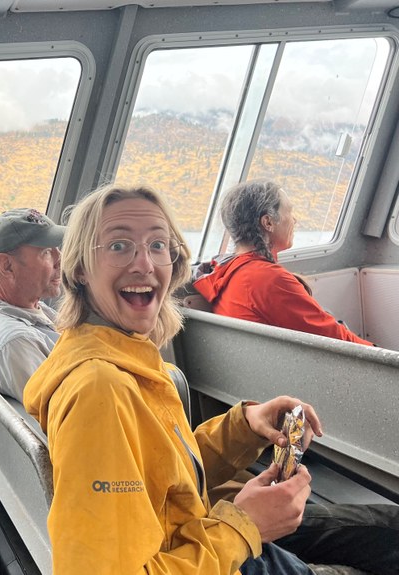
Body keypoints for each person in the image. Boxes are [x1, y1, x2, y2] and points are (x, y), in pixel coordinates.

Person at [23, 183, 327, 575]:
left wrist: (246, 426)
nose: (144, 264)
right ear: (79, 268)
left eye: (157, 245)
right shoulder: (100, 390)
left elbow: (165, 476)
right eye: (119, 246)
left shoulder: (127, 356)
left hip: (206, 545)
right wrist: (241, 527)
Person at [193, 179, 373, 346]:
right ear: (268, 222)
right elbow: (335, 340)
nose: (294, 220)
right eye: (289, 212)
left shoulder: (225, 273)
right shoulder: (266, 279)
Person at [0, 207, 64, 399]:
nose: (60, 260)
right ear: (7, 266)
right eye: (46, 252)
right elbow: (68, 414)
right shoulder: (16, 342)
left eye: (58, 249)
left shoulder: (26, 307)